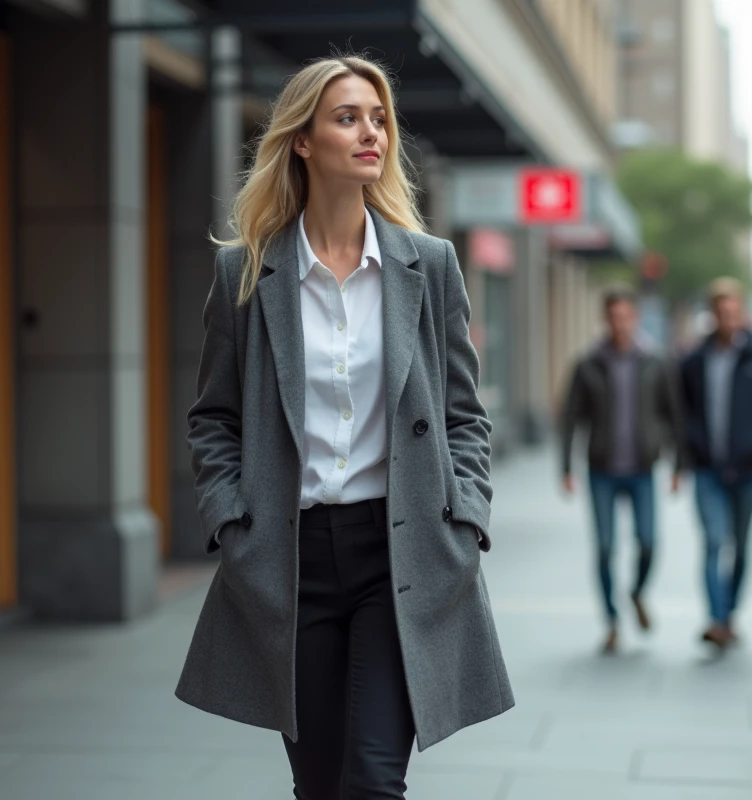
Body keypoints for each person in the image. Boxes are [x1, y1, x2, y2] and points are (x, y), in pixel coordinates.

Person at [174, 56, 514, 799]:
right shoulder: (246, 272)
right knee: (321, 785)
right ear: (302, 140)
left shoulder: (428, 265)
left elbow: (463, 413)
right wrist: (234, 522)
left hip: (404, 551)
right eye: (348, 117)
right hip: (290, 560)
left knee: (371, 781)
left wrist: (468, 519)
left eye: (379, 117)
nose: (372, 133)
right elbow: (214, 418)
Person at [561, 289, 683, 654]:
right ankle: (612, 621)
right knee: (604, 547)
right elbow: (570, 418)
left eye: (626, 316)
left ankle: (637, 592)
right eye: (614, 316)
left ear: (636, 318)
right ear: (606, 319)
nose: (620, 323)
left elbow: (673, 414)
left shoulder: (655, 361)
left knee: (648, 542)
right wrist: (566, 467)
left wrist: (679, 464)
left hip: (643, 469)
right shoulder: (588, 363)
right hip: (601, 469)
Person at [678, 278, 752, 648]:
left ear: (742, 314)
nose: (727, 318)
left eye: (733, 311)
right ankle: (717, 618)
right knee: (712, 542)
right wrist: (689, 448)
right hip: (707, 469)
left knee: (740, 547)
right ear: (712, 315)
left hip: (748, 472)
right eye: (720, 311)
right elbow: (682, 410)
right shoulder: (693, 361)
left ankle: (730, 612)